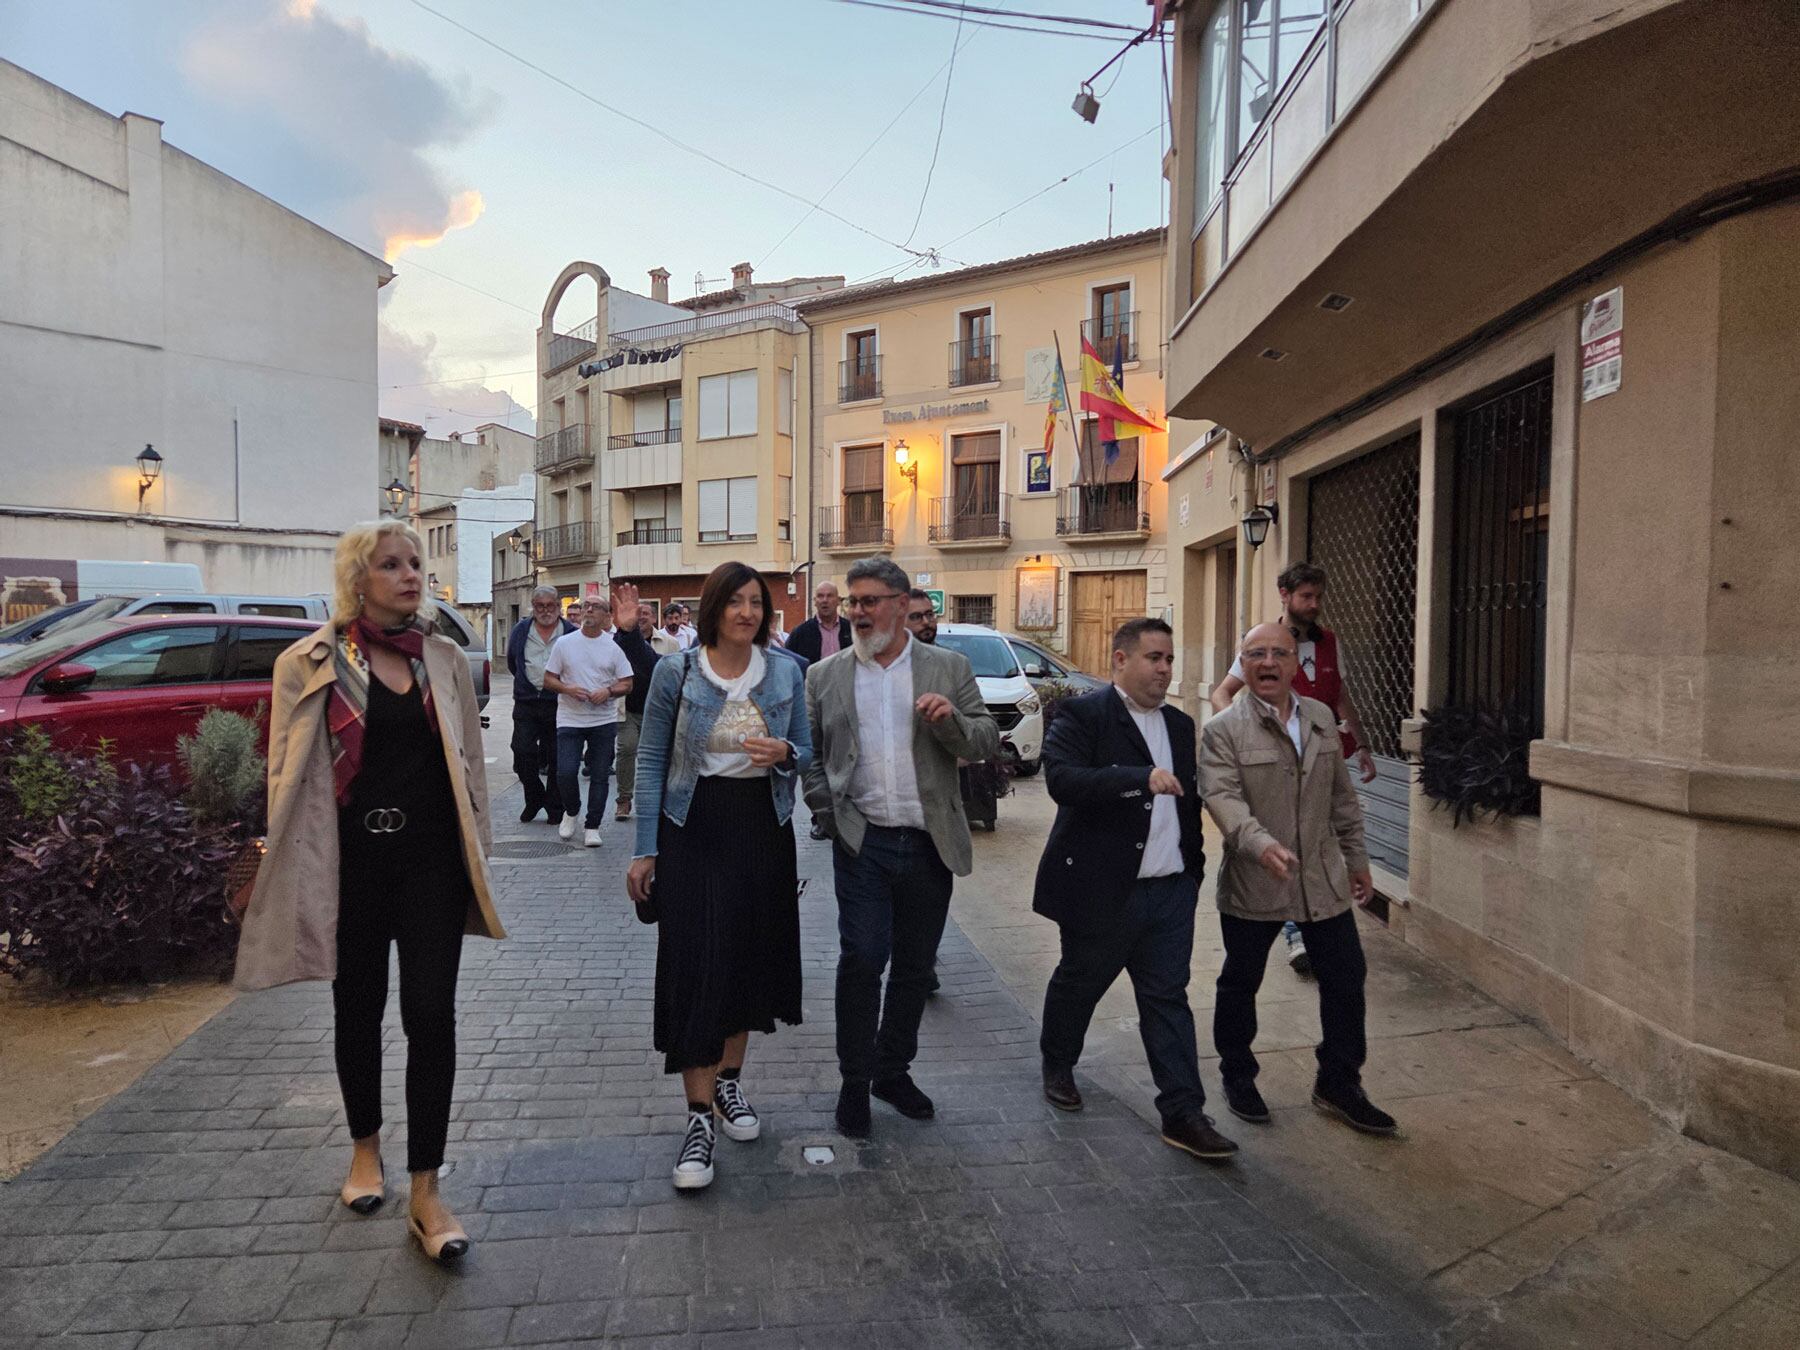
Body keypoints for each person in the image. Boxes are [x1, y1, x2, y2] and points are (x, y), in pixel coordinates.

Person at [233, 519, 506, 1264]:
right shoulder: (309, 661)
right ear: (359, 580)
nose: (409, 575)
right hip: (348, 865)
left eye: (415, 563)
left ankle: (426, 1191)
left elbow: (470, 765)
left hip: (429, 865)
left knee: (431, 1016)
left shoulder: (442, 660)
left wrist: (478, 843)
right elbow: (286, 777)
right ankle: (363, 1151)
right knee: (357, 1009)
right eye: (391, 565)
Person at [625, 561, 812, 1190]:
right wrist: (644, 848)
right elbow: (651, 759)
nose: (747, 613)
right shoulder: (677, 673)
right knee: (696, 962)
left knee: (747, 960)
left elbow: (810, 750)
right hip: (692, 825)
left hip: (764, 826)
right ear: (713, 608)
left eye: (756, 602)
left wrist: (786, 753)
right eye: (734, 602)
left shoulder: (786, 670)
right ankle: (698, 1117)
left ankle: (730, 1085)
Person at [803, 557, 998, 1138]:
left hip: (928, 842)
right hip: (862, 841)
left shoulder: (948, 666)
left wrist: (949, 723)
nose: (856, 612)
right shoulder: (826, 675)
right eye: (852, 603)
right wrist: (828, 811)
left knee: (914, 968)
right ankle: (853, 1082)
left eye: (867, 601)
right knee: (862, 960)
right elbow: (813, 754)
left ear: (899, 603)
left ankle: (893, 1071)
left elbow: (986, 740)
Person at [1033, 618, 1237, 1162]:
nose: (1165, 669)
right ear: (1120, 661)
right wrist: (1136, 777)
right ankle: (1058, 1060)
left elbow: (1189, 803)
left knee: (1167, 1000)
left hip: (1169, 894)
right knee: (1080, 983)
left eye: (1169, 658)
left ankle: (1183, 1112)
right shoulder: (1083, 714)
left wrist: (1190, 874)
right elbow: (1062, 781)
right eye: (1154, 658)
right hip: (1105, 891)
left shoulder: (1179, 724)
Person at [1201, 622, 1395, 1136]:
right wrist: (1259, 843)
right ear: (1242, 665)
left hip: (1323, 880)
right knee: (1241, 982)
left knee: (1346, 979)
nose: (1268, 663)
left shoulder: (1321, 718)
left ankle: (1339, 1082)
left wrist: (1358, 859)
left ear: (1295, 664)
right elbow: (1222, 797)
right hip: (1253, 880)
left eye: (1279, 654)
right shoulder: (1222, 729)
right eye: (1255, 654)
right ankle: (1237, 1075)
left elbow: (1341, 798)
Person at [1208, 562, 1377, 976]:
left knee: (1315, 835)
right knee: (1279, 840)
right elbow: (1222, 694)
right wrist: (1245, 735)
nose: (1314, 604)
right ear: (1285, 595)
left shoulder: (1330, 643)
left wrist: (1362, 744)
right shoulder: (1262, 643)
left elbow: (1340, 698)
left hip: (1319, 755)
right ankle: (1294, 930)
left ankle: (1305, 923)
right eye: (1306, 596)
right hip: (1268, 767)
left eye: (1318, 596)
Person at [543, 595, 634, 847]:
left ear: (607, 616)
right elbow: (548, 679)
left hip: (603, 719)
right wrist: (568, 689)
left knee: (600, 775)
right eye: (586, 606)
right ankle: (571, 811)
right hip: (570, 718)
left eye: (597, 607)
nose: (590, 610)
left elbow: (627, 682)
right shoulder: (564, 643)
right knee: (566, 772)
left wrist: (608, 691)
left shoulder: (614, 646)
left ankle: (592, 826)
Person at [505, 586, 575, 825]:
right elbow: (514, 663)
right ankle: (534, 797)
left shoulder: (571, 632)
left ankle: (555, 807)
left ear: (558, 606)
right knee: (521, 751)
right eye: (540, 606)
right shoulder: (520, 630)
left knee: (557, 757)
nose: (546, 611)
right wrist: (527, 684)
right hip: (526, 703)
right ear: (533, 607)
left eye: (550, 605)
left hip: (558, 703)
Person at [609, 596, 665, 823]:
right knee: (626, 748)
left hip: (656, 710)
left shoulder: (669, 643)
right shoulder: (618, 640)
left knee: (655, 756)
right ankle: (624, 799)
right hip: (627, 708)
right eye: (636, 613)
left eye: (645, 614)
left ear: (653, 618)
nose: (640, 617)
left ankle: (654, 799)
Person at [785, 579, 851, 664]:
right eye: (820, 596)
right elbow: (789, 663)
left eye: (830, 596)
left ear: (838, 601)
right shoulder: (800, 633)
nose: (825, 600)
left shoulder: (851, 630)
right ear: (815, 601)